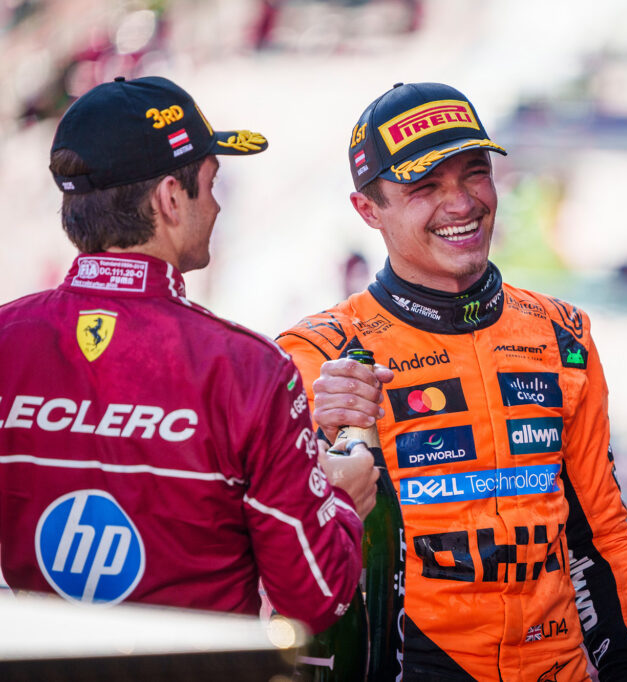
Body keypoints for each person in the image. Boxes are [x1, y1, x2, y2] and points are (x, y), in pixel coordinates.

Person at [277, 82, 627, 681]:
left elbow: (599, 531)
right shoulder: (317, 353)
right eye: (425, 187)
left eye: (475, 174)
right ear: (368, 210)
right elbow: (284, 538)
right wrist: (322, 434)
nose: (461, 204)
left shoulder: (563, 333)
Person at [0, 76, 377, 635]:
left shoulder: (8, 338)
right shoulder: (248, 369)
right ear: (171, 199)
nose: (219, 206)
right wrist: (341, 499)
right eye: (211, 183)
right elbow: (315, 597)